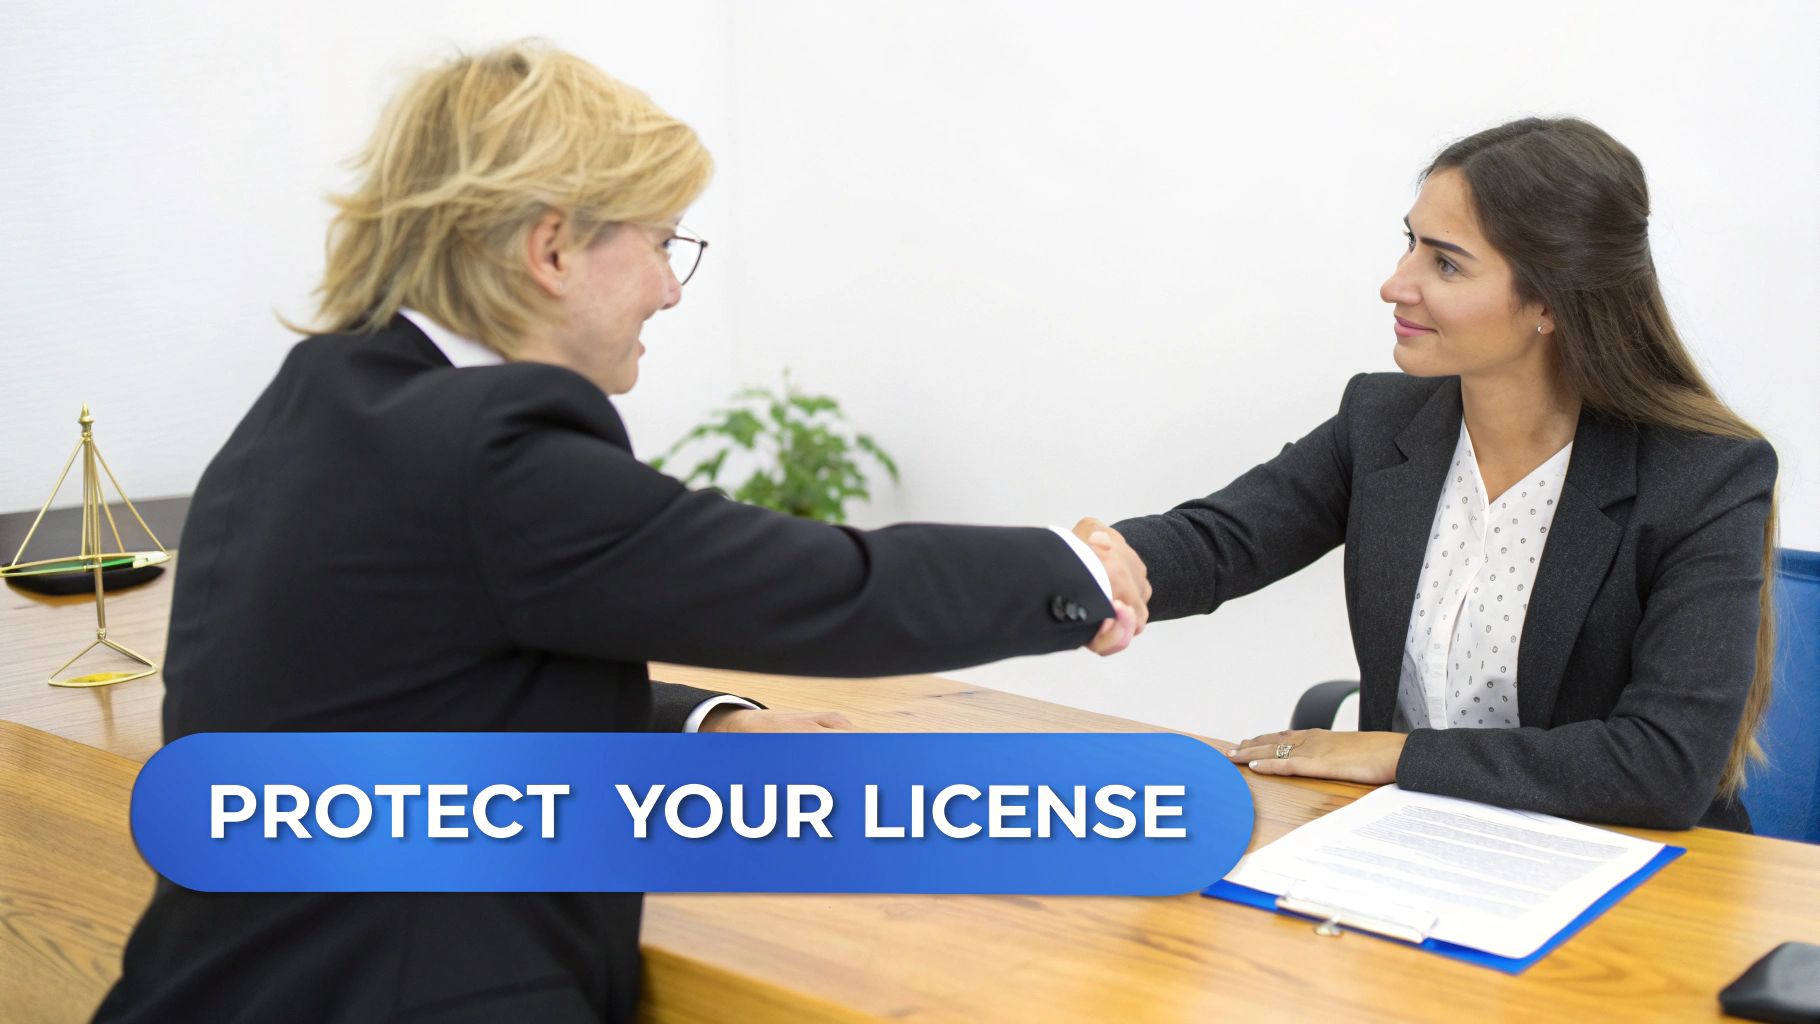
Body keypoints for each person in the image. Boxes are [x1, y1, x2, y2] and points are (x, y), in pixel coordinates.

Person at [95, 41, 1149, 1023]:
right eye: (659, 243)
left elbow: (422, 693)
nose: (668, 289)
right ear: (551, 246)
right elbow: (823, 589)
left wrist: (705, 729)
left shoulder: (323, 398)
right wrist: (1072, 569)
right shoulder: (487, 443)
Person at [1080, 117, 1777, 833]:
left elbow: (1662, 768)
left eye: (1445, 264)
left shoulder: (1703, 477)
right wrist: (1092, 567)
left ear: (1551, 304)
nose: (1394, 285)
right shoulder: (1382, 422)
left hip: (1631, 870)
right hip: (1413, 842)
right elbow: (1218, 543)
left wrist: (1397, 755)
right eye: (1410, 243)